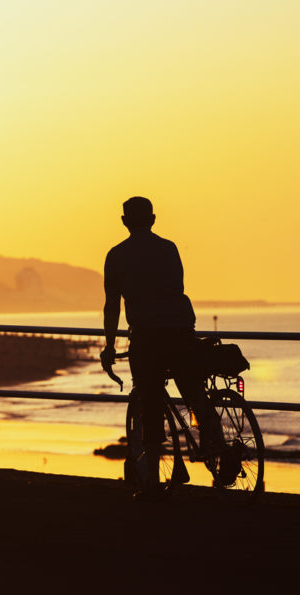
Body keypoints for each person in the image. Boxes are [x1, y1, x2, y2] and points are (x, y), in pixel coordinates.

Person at [99, 197, 232, 490]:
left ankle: (153, 482)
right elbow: (178, 288)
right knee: (193, 389)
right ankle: (220, 447)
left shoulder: (117, 255)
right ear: (154, 219)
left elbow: (112, 306)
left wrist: (109, 345)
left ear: (124, 221)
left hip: (146, 334)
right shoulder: (169, 248)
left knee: (150, 398)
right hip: (181, 327)